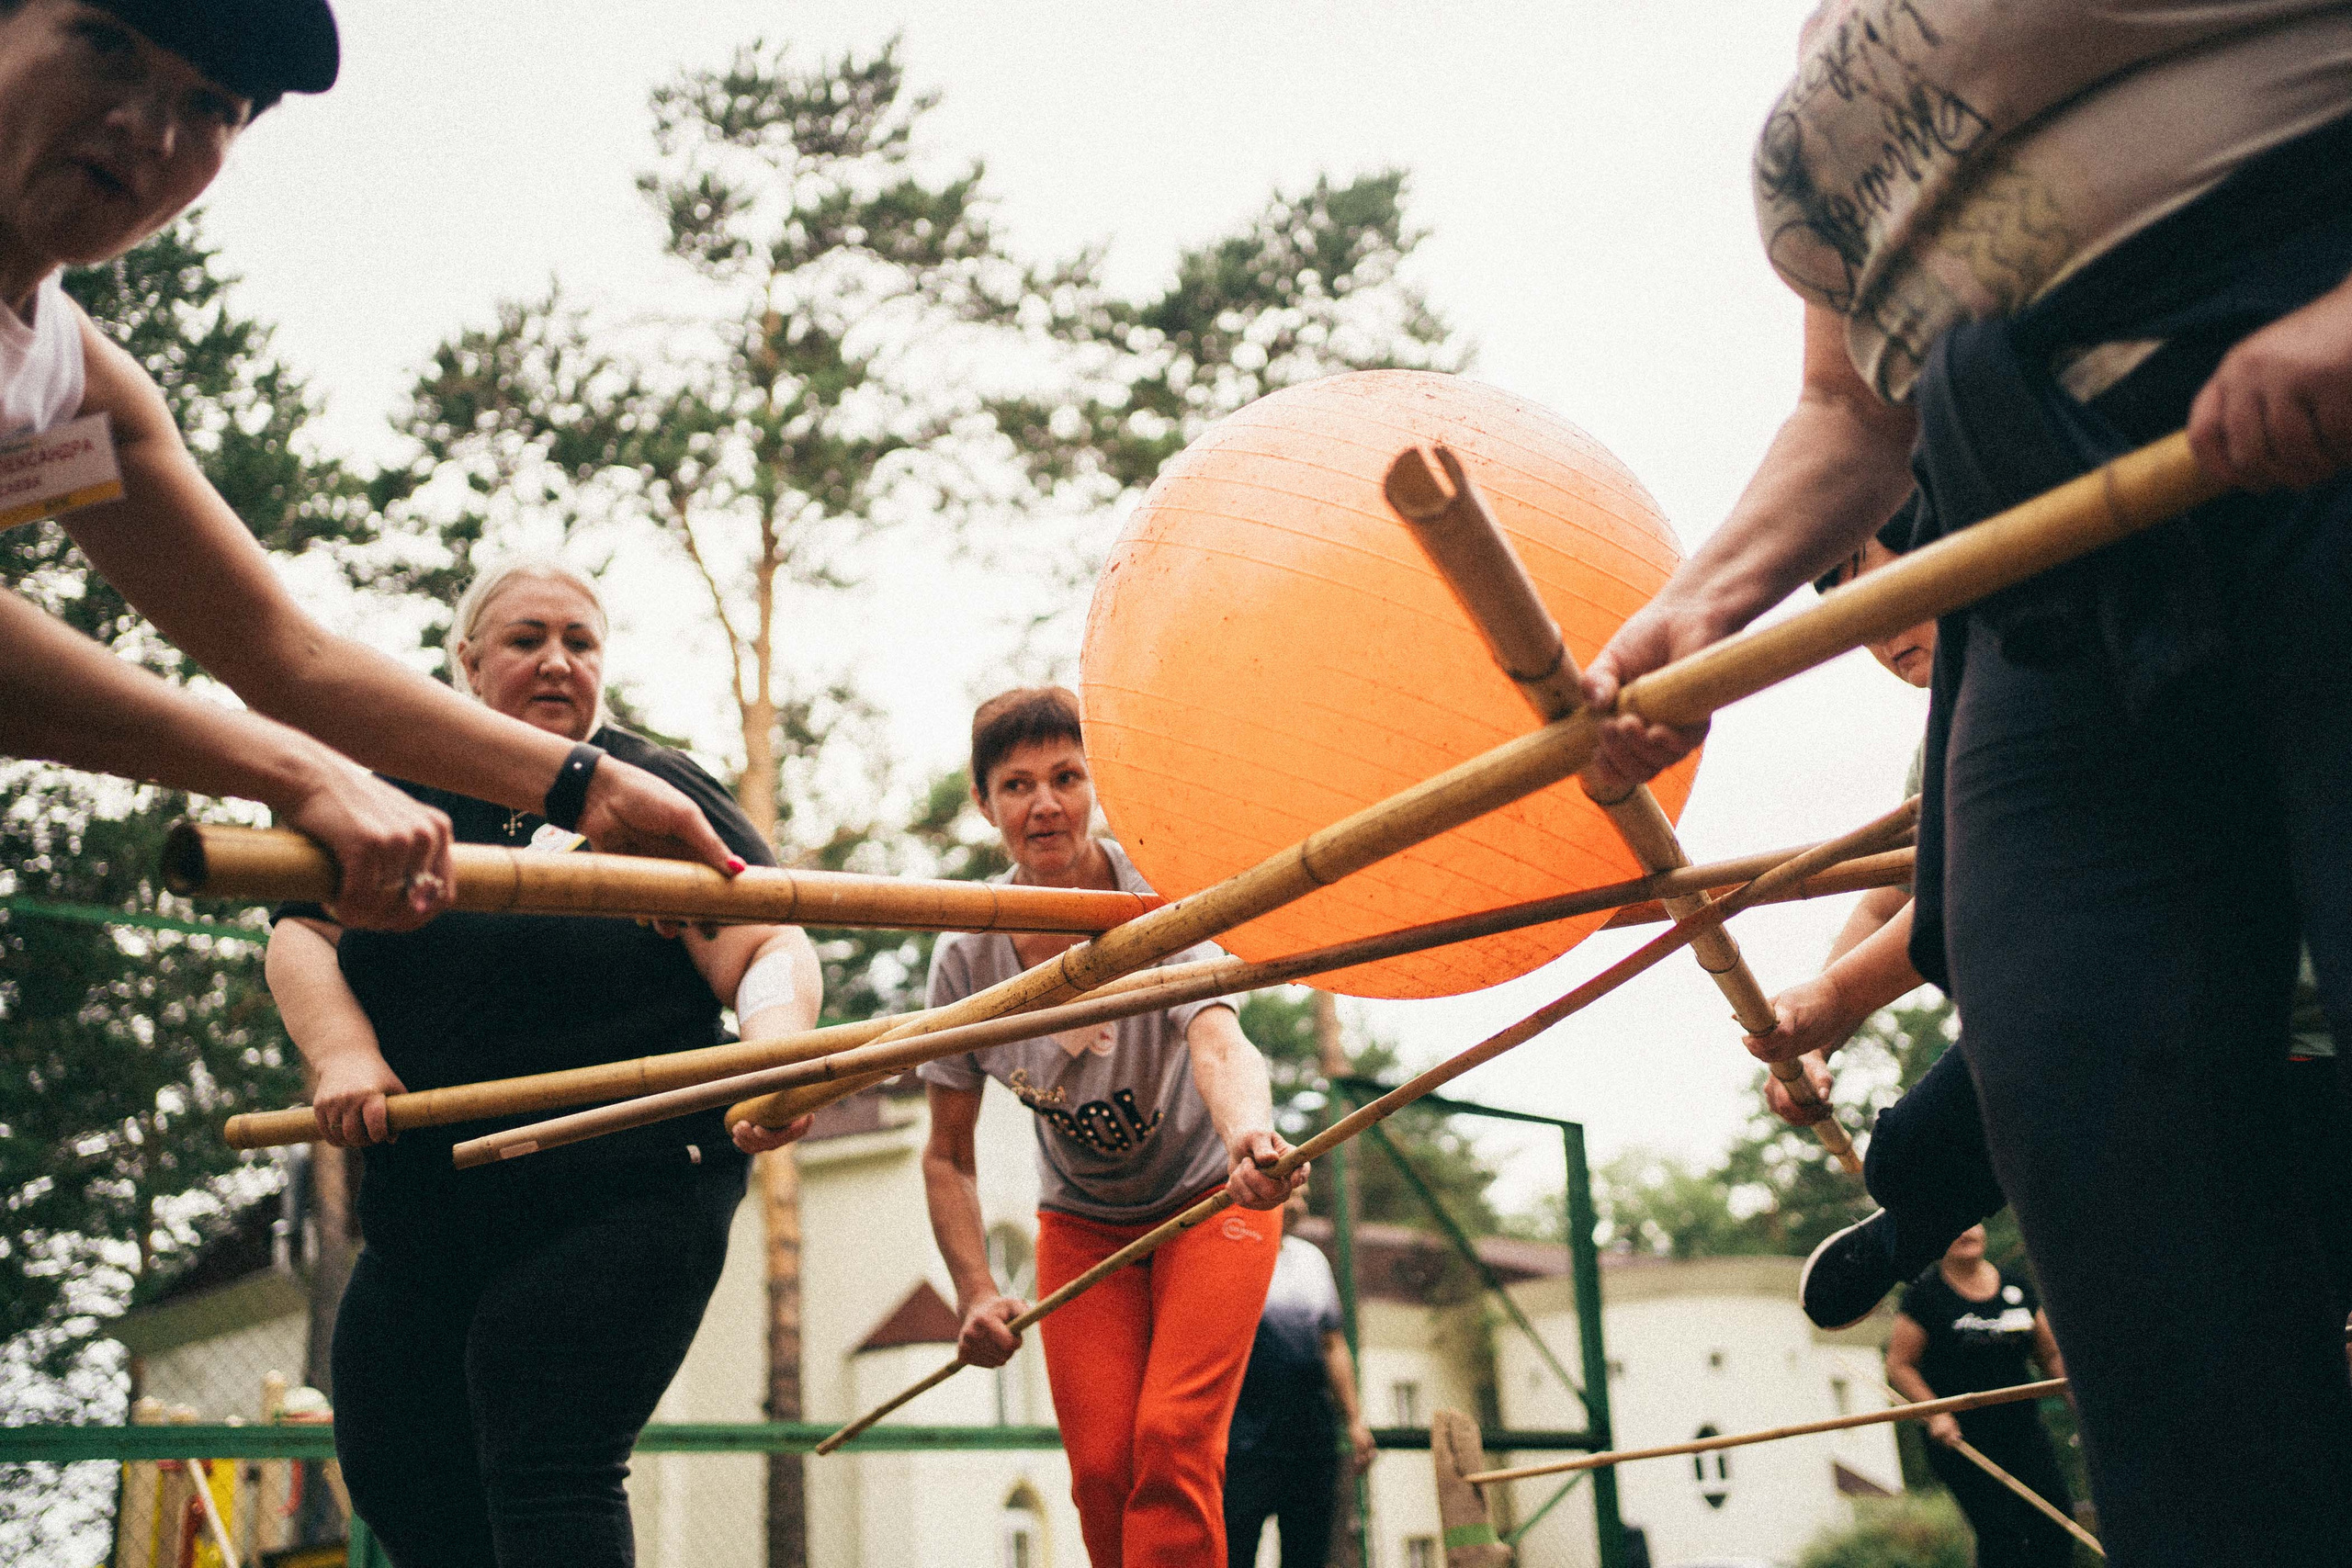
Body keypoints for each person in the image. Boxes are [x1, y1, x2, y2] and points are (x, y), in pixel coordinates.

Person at [1580, 5, 2352, 1559]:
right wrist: (1702, 601)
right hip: (2039, 576)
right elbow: (1852, 407)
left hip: (2306, 417)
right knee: (2113, 1196)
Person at [0, 0, 741, 932]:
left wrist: (587, 787)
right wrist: (296, 770)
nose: (149, 130)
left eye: (211, 106)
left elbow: (289, 659)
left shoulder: (84, 399)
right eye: (107, 48)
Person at [264, 558, 821, 1568]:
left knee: (543, 1450)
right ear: (468, 663)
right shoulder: (392, 794)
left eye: (581, 641)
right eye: (527, 641)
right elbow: (301, 932)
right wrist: (341, 1052)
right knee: (394, 1462)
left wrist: (775, 1052)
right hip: (429, 1198)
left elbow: (767, 944)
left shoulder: (652, 795)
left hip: (627, 1187)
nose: (558, 662)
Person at [912, 686, 1303, 1568]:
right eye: (1016, 785)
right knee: (1097, 1469)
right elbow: (948, 1155)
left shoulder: (1156, 902)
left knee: (1170, 1439)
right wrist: (975, 1288)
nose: (1044, 803)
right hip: (1084, 1223)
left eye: (1066, 777)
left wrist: (1252, 1137)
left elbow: (1219, 1035)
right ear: (984, 805)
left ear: (1098, 785)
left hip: (1212, 1197)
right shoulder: (966, 955)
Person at [1885, 1226, 2075, 1568]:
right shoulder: (1925, 1295)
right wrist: (1937, 1414)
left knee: (2056, 1524)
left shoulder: (2016, 1286)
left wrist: (2079, 1399)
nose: (1965, 1232)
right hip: (1962, 1438)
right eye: (1954, 1226)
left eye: (1971, 1223)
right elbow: (1900, 1365)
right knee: (2002, 1535)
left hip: (2022, 1430)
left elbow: (2049, 1356)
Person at [1223, 1190, 1376, 1568]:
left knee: (1308, 1555)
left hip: (1311, 1438)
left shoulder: (1311, 1260)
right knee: (1234, 1552)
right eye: (1291, 1193)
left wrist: (1354, 1420)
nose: (1301, 1204)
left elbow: (1332, 1343)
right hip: (1243, 1442)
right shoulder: (1226, 1253)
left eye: (1306, 1196)